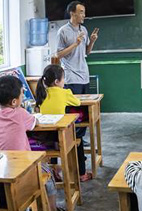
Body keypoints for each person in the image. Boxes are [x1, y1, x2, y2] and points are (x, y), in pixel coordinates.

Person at [0, 75, 66, 211]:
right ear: (14, 101)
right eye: (22, 93)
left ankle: (32, 209)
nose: (23, 95)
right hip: (24, 167)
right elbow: (33, 122)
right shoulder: (19, 113)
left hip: (2, 168)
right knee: (48, 174)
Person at [56, 0, 99, 176]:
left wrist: (92, 42)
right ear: (72, 13)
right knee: (74, 116)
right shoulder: (63, 31)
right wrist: (75, 43)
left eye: (84, 12)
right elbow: (58, 54)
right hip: (71, 78)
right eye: (81, 12)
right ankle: (76, 147)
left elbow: (87, 52)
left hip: (84, 76)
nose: (84, 15)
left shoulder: (84, 30)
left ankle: (79, 142)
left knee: (84, 115)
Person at [34, 64, 92, 182]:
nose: (64, 81)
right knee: (78, 140)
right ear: (57, 81)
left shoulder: (42, 94)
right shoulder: (64, 93)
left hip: (46, 137)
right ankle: (82, 173)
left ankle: (54, 170)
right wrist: (69, 93)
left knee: (55, 134)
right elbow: (77, 103)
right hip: (61, 137)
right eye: (63, 78)